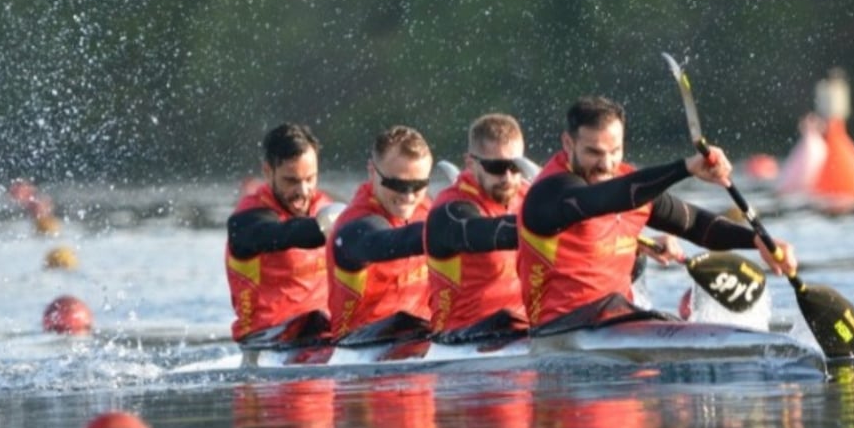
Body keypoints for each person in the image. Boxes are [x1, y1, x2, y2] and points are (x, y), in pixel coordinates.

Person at [517, 96, 797, 328]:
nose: (606, 164)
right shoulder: (550, 194)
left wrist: (755, 240)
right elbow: (606, 199)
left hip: (621, 323)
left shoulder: (633, 185)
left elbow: (696, 224)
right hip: (558, 332)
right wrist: (686, 168)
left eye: (615, 151)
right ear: (568, 144)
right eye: (594, 152)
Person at [424, 113, 531, 340]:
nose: (508, 177)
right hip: (462, 338)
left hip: (522, 330)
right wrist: (548, 222)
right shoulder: (450, 209)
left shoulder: (527, 195)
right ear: (471, 164)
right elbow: (480, 233)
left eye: (516, 166)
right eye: (497, 167)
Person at [225, 123, 334, 343]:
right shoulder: (246, 221)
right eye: (291, 181)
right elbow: (282, 234)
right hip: (265, 339)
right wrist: (325, 228)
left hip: (322, 331)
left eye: (310, 179)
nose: (303, 191)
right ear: (268, 172)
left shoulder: (324, 205)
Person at [327, 125, 434, 338]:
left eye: (419, 184)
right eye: (397, 184)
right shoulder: (355, 224)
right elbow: (383, 243)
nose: (409, 196)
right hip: (361, 348)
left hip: (420, 336)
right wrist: (448, 233)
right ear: (372, 172)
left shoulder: (425, 209)